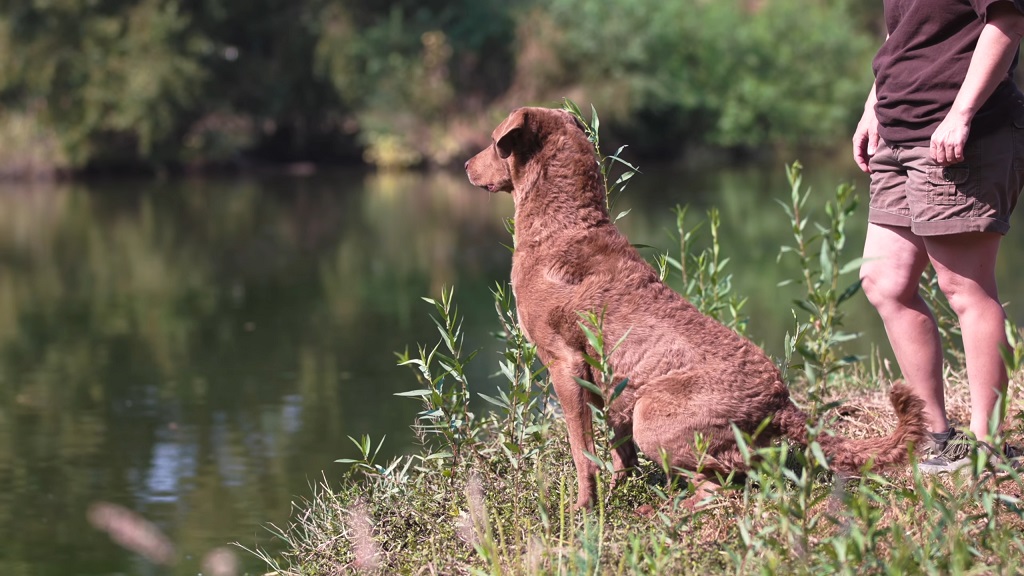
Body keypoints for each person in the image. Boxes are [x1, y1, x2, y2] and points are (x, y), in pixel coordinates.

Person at [852, 0, 1024, 474]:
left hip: (958, 136)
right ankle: (937, 437)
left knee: (965, 289)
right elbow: (902, 37)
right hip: (897, 132)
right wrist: (873, 107)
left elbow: (1007, 21)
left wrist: (962, 113)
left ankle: (987, 448)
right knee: (885, 281)